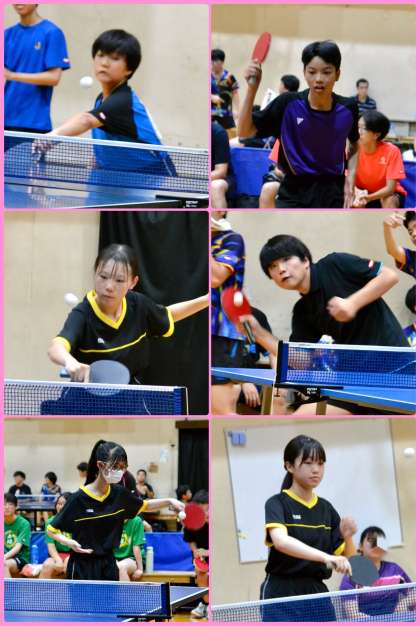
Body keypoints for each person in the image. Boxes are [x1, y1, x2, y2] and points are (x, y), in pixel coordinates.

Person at [237, 235, 408, 414]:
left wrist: (352, 303)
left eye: (286, 259)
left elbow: (390, 276)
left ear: (305, 260)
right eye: (273, 266)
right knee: (301, 417)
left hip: (395, 371)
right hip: (354, 381)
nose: (281, 269)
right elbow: (302, 361)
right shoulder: (303, 311)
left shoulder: (336, 264)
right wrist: (260, 334)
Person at [47, 243, 208, 383]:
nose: (109, 286)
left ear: (133, 282)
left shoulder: (138, 305)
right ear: (95, 273)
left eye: (119, 280)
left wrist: (207, 300)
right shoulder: (82, 314)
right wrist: (68, 361)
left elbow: (168, 315)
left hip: (128, 396)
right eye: (103, 276)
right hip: (85, 397)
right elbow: (56, 347)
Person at [238, 40, 359, 208]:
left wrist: (350, 178)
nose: (318, 79)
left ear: (337, 74)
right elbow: (244, 132)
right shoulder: (287, 104)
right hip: (294, 191)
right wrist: (252, 89)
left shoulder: (348, 108)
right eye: (312, 72)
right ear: (304, 73)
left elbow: (355, 144)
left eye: (326, 72)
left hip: (333, 192)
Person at [46, 440, 185, 580]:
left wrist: (169, 501)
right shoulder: (78, 499)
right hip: (81, 566)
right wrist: (68, 542)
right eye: (116, 466)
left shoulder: (119, 494)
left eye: (123, 467)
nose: (120, 471)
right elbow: (51, 530)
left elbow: (145, 505)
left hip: (108, 564)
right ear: (100, 465)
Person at [260, 435, 356, 621]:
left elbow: (348, 560)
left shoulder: (326, 509)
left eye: (320, 463)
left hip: (316, 592)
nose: (316, 469)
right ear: (289, 466)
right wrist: (326, 557)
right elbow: (281, 542)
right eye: (308, 463)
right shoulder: (277, 503)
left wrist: (348, 537)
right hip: (281, 593)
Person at [4, 4, 70, 133]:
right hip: (5, 118)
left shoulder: (51, 33)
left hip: (33, 122)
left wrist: (12, 75)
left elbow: (53, 78)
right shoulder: (7, 34)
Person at [211, 212, 246, 414]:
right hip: (196, 331)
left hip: (221, 332)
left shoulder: (232, 239)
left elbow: (215, 278)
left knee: (221, 410)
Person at [340, 526, 412, 619]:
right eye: (371, 540)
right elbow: (352, 614)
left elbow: (415, 591)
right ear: (361, 547)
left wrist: (405, 602)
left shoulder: (395, 570)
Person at [259, 75, 300, 209]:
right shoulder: (283, 138)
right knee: (269, 182)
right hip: (286, 180)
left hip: (304, 186)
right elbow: (277, 168)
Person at [353, 112, 407, 208]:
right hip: (361, 192)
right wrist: (357, 193)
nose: (357, 132)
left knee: (389, 200)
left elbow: (390, 188)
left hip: (386, 194)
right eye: (357, 127)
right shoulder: (351, 149)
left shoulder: (392, 151)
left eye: (362, 128)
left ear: (376, 135)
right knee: (352, 200)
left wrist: (369, 198)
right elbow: (347, 181)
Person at [183, 490, 209, 619]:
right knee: (200, 573)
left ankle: (207, 605)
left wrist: (208, 552)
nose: (205, 514)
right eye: (202, 511)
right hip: (202, 556)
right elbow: (190, 540)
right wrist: (196, 553)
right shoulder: (192, 521)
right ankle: (206, 604)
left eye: (207, 509)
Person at [39, 492, 72, 579]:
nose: (61, 507)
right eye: (59, 504)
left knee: (69, 564)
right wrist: (58, 560)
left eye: (64, 504)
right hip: (56, 554)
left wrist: (68, 559)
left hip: (72, 554)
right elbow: (51, 545)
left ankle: (73, 588)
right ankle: (40, 589)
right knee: (47, 565)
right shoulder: (50, 522)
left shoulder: (76, 521)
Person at [211, 49, 240, 133]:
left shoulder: (229, 77)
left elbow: (235, 94)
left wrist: (236, 112)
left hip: (226, 113)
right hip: (210, 114)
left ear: (222, 62)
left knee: (232, 134)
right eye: (212, 61)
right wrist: (211, 97)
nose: (213, 63)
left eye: (216, 61)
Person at [4, 493, 31, 578]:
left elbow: (17, 548)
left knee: (3, 564)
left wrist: (3, 557)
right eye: (3, 504)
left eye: (10, 504)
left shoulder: (24, 523)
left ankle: (7, 587)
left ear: (16, 507)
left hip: (20, 558)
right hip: (5, 557)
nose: (6, 507)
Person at [383, 211, 416, 279]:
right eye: (410, 232)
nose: (414, 234)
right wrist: (386, 226)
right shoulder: (413, 258)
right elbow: (393, 251)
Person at [211, 122, 236, 208]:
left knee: (215, 186)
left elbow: (221, 172)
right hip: (198, 179)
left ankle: (220, 216)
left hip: (223, 179)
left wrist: (200, 180)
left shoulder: (218, 132)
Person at [114, 516, 146, 581]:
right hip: (115, 558)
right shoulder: (110, 519)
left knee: (121, 567)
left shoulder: (136, 520)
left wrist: (140, 569)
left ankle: (125, 588)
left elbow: (136, 547)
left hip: (132, 558)